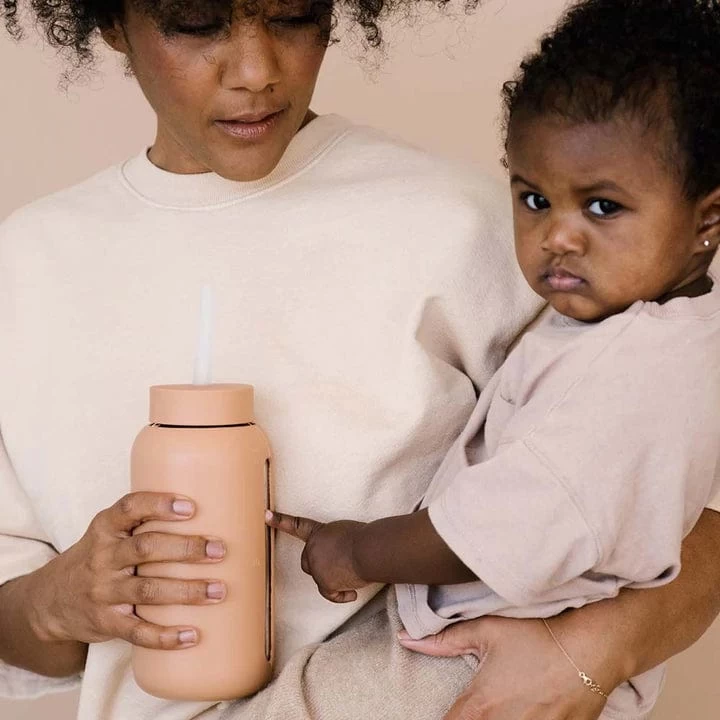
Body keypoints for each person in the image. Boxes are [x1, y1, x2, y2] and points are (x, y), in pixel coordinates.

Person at [0, 1, 717, 720]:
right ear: (112, 21)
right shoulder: (24, 268)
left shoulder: (499, 233)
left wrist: (591, 654)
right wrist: (57, 604)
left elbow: (683, 507)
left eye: (293, 17)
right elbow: (19, 635)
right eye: (196, 23)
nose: (256, 71)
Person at [256, 0, 720, 717]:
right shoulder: (658, 330)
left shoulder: (637, 375)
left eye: (602, 207)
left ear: (706, 220)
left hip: (487, 657)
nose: (558, 236)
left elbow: (503, 532)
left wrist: (357, 550)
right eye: (535, 199)